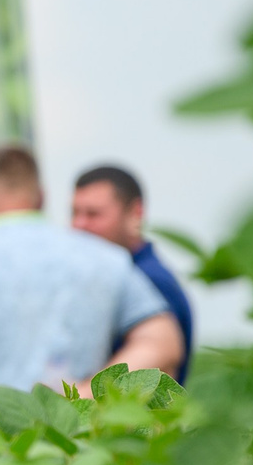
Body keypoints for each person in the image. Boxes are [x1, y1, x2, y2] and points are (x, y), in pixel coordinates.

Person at [0, 145, 183, 420]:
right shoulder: (107, 258)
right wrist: (87, 394)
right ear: (42, 198)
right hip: (75, 444)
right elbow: (164, 342)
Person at [71, 163, 195, 380]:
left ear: (135, 212)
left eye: (93, 214)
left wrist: (80, 395)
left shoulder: (150, 282)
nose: (79, 225)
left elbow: (155, 368)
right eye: (75, 213)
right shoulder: (126, 274)